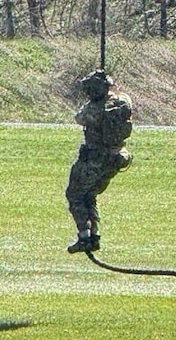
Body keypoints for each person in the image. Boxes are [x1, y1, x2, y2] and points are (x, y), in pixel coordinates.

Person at [65, 69, 134, 254]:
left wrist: (93, 103)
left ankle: (84, 235)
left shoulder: (93, 109)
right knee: (90, 194)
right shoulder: (123, 101)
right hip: (117, 157)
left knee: (75, 194)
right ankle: (94, 234)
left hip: (96, 158)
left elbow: (79, 118)